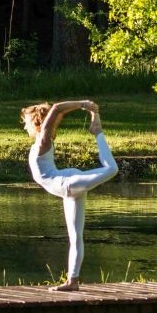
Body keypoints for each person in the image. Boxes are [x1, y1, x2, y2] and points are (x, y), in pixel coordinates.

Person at [20, 99, 118, 290]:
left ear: (37, 123)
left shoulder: (43, 140)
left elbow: (56, 109)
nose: (25, 127)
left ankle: (97, 131)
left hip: (67, 184)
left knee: (112, 169)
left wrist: (83, 104)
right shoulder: (41, 141)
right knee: (75, 237)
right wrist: (88, 109)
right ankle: (72, 281)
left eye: (26, 123)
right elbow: (56, 113)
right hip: (68, 189)